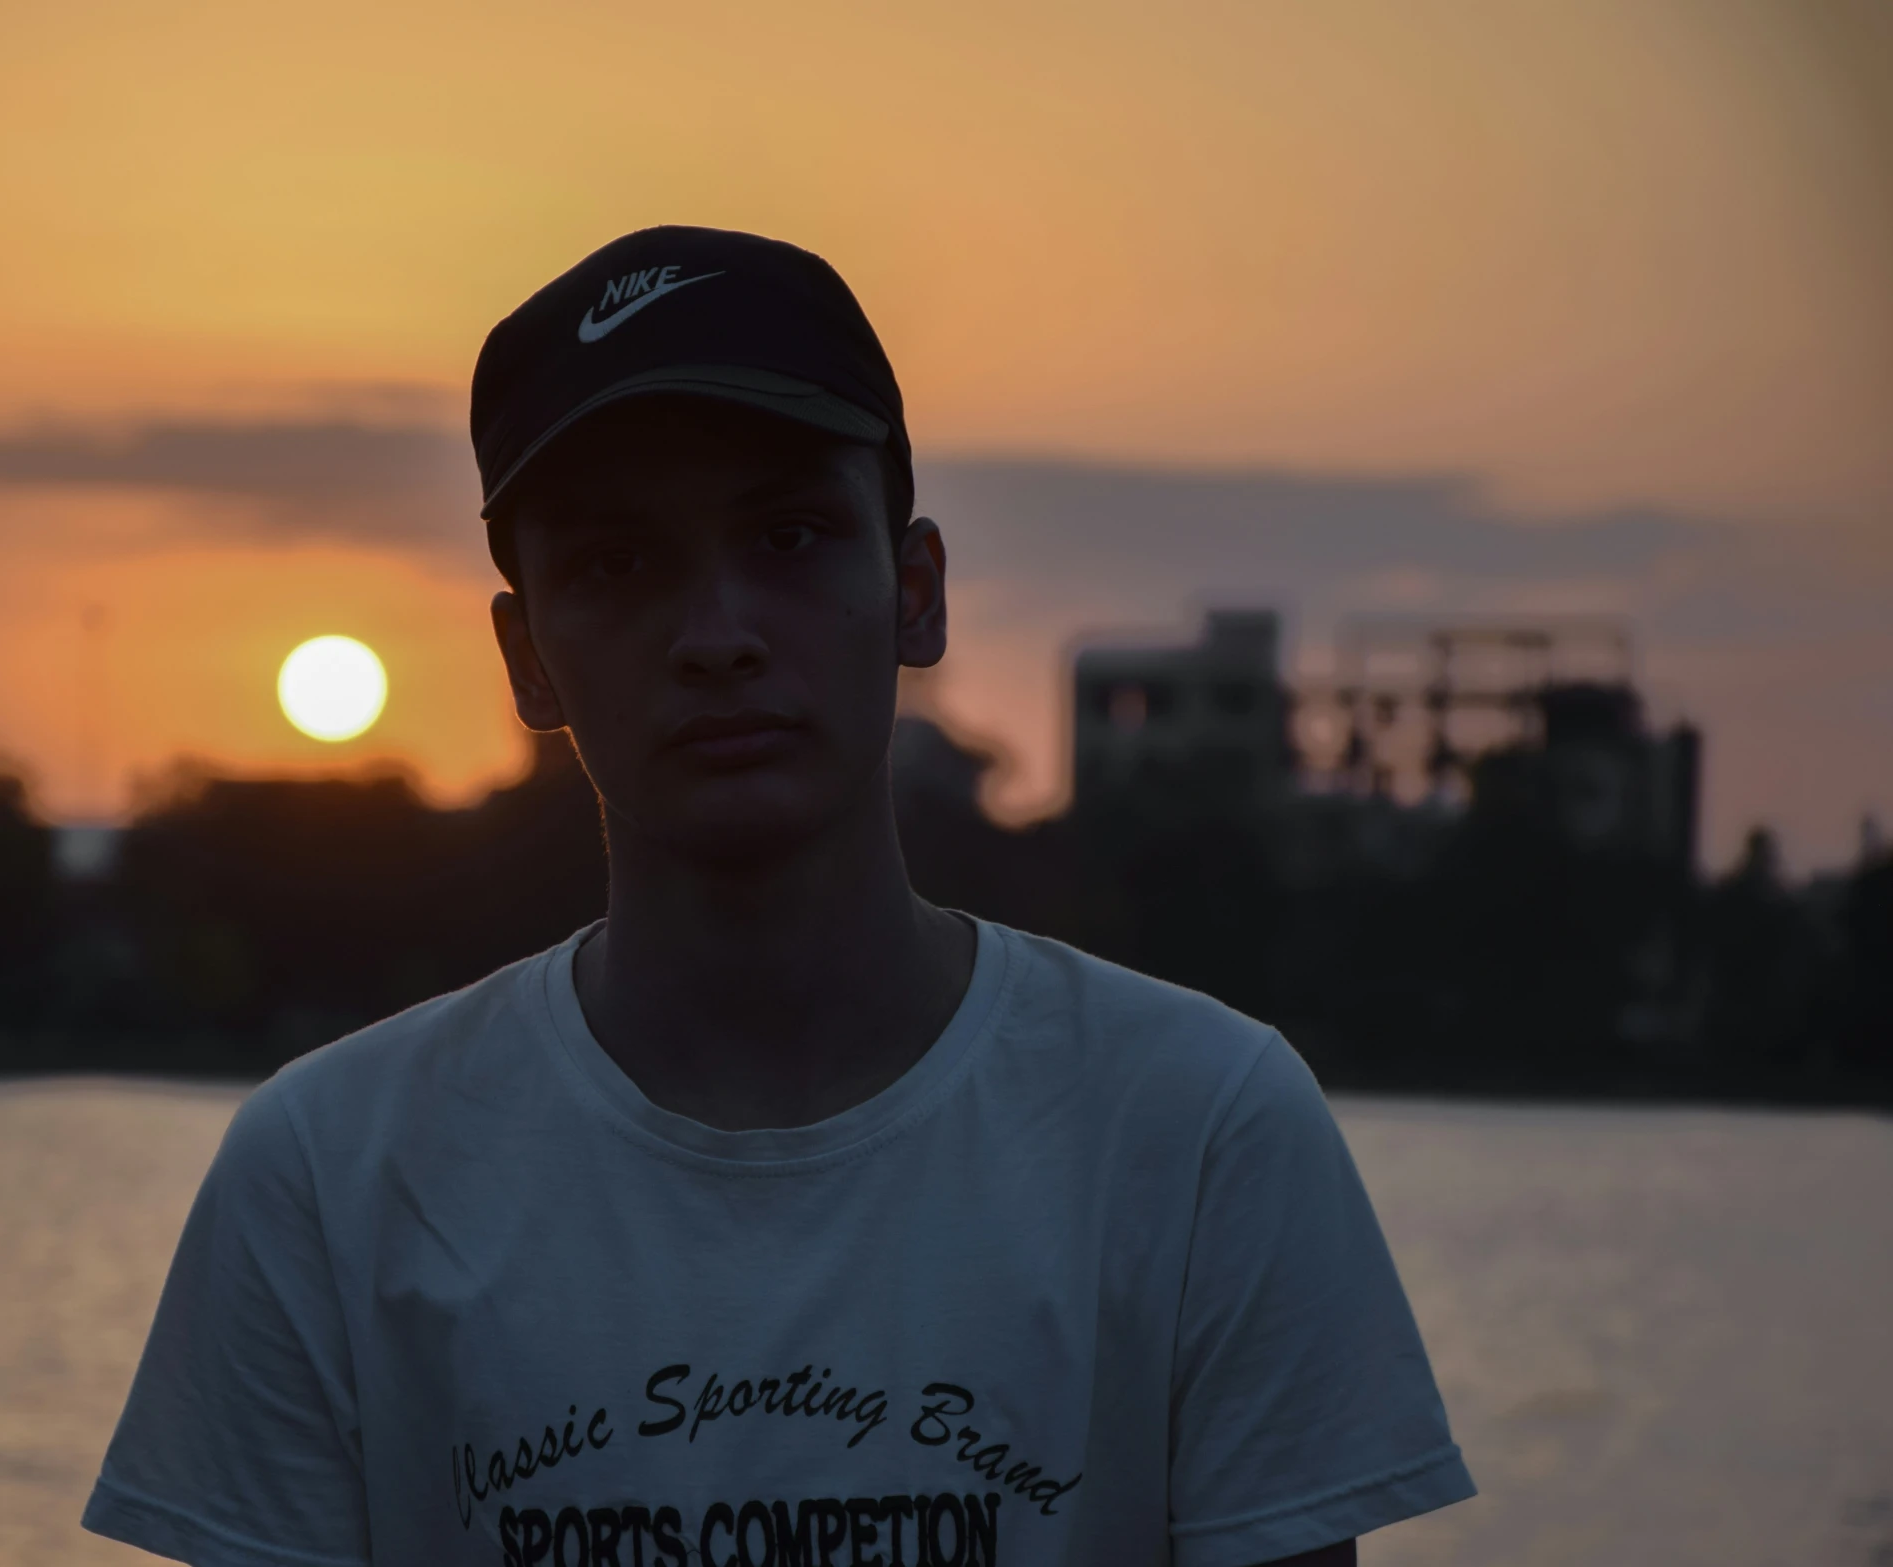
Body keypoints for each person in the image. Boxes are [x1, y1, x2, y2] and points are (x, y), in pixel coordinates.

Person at [83, 226, 1475, 1567]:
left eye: (792, 535)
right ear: (528, 658)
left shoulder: (1198, 1130)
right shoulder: (329, 1179)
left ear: (915, 588)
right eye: (621, 563)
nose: (719, 635)